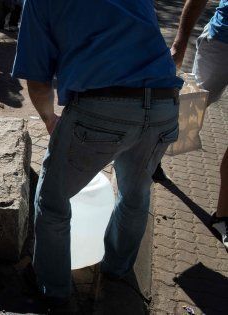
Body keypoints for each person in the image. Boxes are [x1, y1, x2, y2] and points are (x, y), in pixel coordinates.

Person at [12, 0, 183, 310]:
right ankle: (117, 270)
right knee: (135, 191)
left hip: (101, 109)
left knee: (52, 201)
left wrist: (50, 119)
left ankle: (52, 289)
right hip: (164, 105)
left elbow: (37, 81)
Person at [169, 0, 228, 249]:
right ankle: (151, 161)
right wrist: (180, 41)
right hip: (221, 43)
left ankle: (223, 216)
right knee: (190, 114)